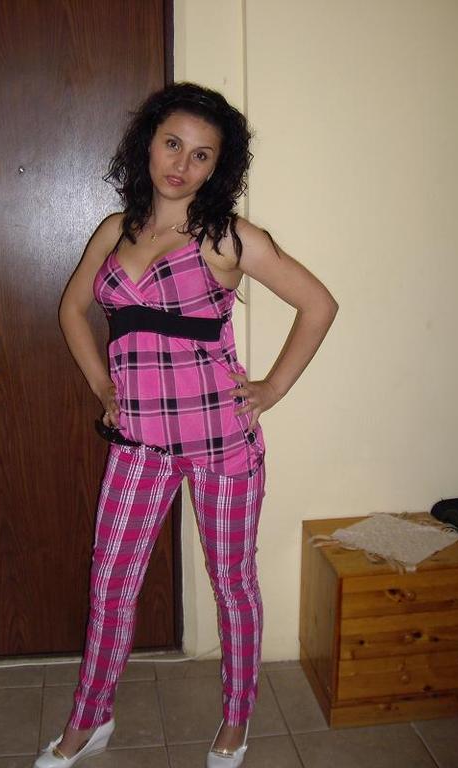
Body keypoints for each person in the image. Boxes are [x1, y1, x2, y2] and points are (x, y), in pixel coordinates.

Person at [34, 82, 338, 768]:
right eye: (172, 143)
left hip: (221, 439)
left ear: (217, 167)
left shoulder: (227, 236)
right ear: (148, 142)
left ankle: (236, 719)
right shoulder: (115, 230)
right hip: (140, 440)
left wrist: (273, 387)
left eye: (201, 155)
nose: (182, 163)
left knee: (231, 582)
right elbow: (71, 310)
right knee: (111, 582)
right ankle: (91, 718)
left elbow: (318, 305)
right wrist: (103, 386)